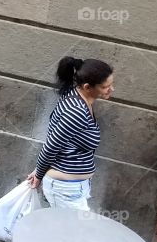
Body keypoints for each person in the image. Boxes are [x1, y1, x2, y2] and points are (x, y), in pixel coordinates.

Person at [26, 55, 114, 212]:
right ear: (87, 87)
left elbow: (62, 140)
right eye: (105, 86)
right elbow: (51, 146)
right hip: (65, 190)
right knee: (76, 234)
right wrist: (38, 174)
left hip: (73, 188)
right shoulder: (77, 111)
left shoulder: (79, 98)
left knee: (66, 233)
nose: (111, 89)